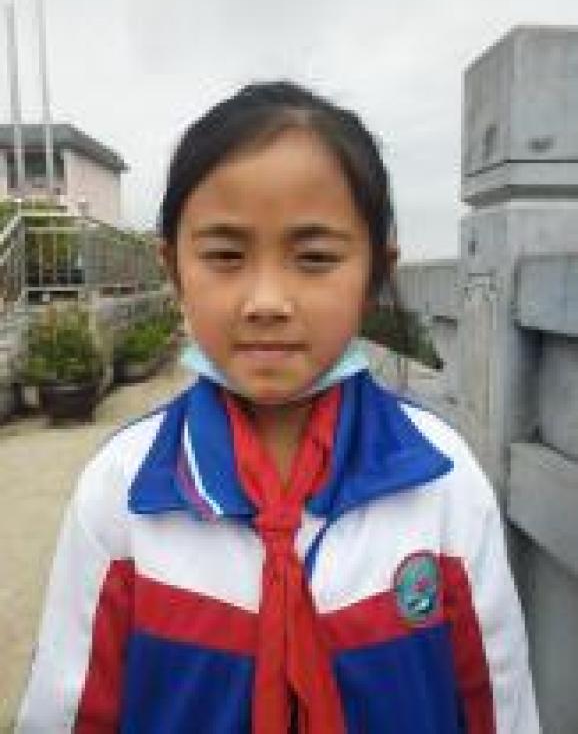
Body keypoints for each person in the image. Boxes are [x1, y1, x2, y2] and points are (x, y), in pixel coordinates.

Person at [16, 82, 540, 733]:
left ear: (376, 273)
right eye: (225, 256)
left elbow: (500, 702)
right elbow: (68, 710)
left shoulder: (442, 482)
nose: (266, 300)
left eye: (314, 258)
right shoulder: (122, 490)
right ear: (173, 267)